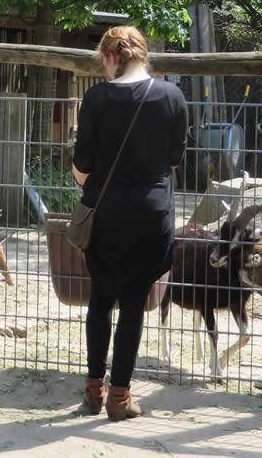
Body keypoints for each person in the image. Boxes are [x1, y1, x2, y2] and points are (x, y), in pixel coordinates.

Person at [72, 25, 188, 421]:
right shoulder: (172, 96)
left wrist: (85, 182)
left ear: (111, 58)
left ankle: (92, 391)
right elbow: (174, 159)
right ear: (142, 55)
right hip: (151, 213)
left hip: (105, 213)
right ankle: (120, 399)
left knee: (101, 299)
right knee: (135, 303)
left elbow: (83, 165)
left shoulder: (96, 97)